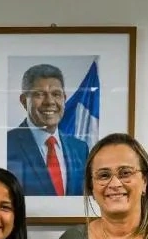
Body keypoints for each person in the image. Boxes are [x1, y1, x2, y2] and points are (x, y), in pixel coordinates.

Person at [6, 63, 89, 197]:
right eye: (39, 94)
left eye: (56, 94)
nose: (50, 101)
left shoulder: (80, 149)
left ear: (64, 99)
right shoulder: (6, 145)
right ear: (23, 101)